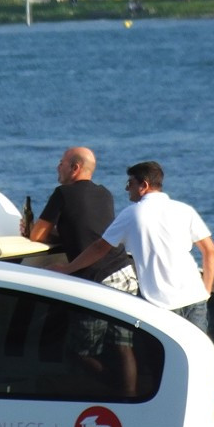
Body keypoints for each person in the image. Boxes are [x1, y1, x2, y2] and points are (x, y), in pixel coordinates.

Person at [51, 160, 214, 332]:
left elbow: (99, 248)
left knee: (157, 357)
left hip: (161, 304)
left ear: (144, 185)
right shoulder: (184, 210)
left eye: (129, 183)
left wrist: (68, 268)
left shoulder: (132, 213)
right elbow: (210, 252)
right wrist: (206, 292)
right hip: (195, 297)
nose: (126, 189)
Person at [27, 147, 139, 394]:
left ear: (74, 168)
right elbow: (87, 231)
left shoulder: (62, 194)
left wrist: (30, 229)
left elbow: (37, 236)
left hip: (99, 279)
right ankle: (131, 398)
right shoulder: (105, 194)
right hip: (124, 272)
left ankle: (117, 389)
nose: (58, 167)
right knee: (123, 346)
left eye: (61, 163)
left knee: (79, 352)